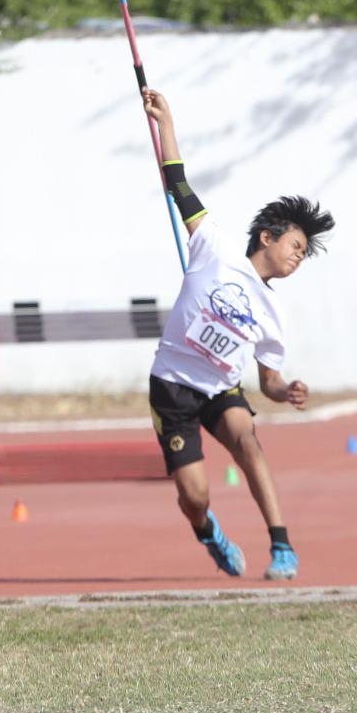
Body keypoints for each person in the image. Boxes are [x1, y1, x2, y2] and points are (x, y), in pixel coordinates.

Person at [142, 86, 334, 581]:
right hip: (173, 385)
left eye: (303, 254)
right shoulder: (215, 246)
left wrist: (284, 389)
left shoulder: (273, 312)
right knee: (195, 495)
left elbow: (267, 381)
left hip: (221, 389)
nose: (297, 256)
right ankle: (207, 532)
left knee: (248, 442)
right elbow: (178, 185)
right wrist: (166, 122)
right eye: (295, 245)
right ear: (267, 237)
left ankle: (282, 547)